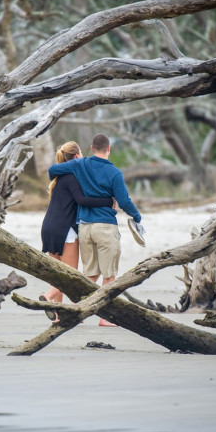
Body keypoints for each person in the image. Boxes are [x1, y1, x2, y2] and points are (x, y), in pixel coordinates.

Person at [48, 133, 143, 326]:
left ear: (91, 148)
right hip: (105, 227)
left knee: (90, 274)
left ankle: (76, 311)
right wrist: (137, 216)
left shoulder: (81, 164)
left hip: (84, 228)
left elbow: (52, 170)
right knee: (109, 275)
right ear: (109, 149)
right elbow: (124, 201)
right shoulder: (115, 173)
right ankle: (104, 318)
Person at [40, 141, 114, 322]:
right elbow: (82, 200)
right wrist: (107, 201)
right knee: (70, 275)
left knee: (59, 272)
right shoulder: (72, 177)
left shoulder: (60, 177)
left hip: (49, 227)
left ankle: (57, 314)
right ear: (76, 156)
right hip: (65, 230)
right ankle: (48, 296)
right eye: (80, 152)